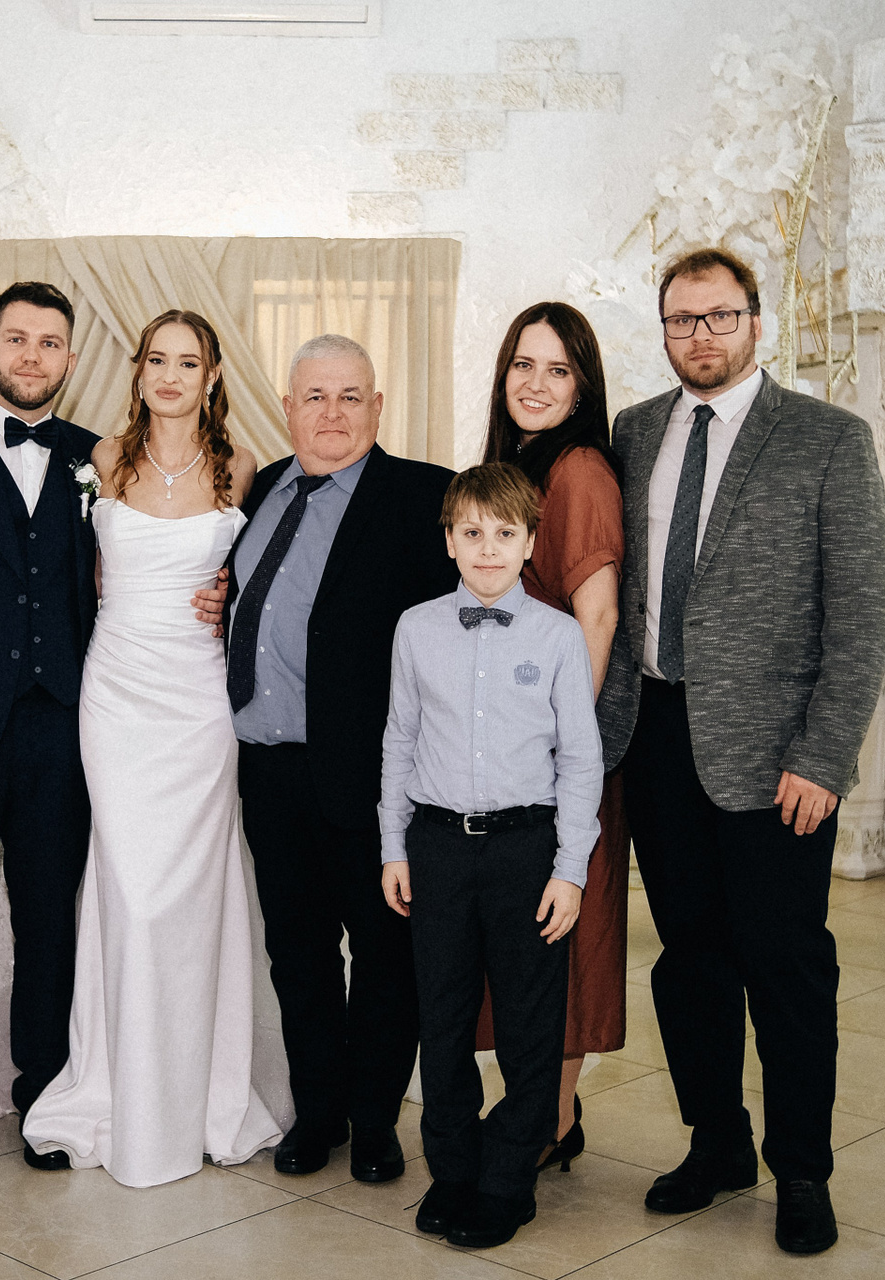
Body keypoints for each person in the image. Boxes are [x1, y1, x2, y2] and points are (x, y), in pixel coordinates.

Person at [0, 282, 225, 1176]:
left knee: (50, 924)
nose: (31, 357)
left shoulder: (102, 458)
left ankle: (48, 1098)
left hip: (72, 731)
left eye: (48, 344)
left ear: (72, 360)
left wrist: (218, 594)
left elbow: (146, 563)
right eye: (16, 339)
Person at [596, 247, 885, 1255]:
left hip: (777, 760)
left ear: (756, 323)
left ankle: (801, 1168)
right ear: (664, 330)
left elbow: (863, 612)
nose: (701, 336)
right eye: (682, 320)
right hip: (656, 738)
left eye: (719, 316)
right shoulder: (636, 431)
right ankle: (716, 1141)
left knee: (786, 964)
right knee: (689, 961)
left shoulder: (828, 438)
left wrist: (825, 754)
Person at [22, 309, 284, 1186]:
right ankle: (119, 1087)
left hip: (199, 701)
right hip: (117, 695)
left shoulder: (243, 468)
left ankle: (199, 1093)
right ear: (137, 371)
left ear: (213, 376)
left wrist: (229, 595)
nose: (171, 376)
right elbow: (74, 575)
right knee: (129, 889)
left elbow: (265, 579)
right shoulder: (101, 460)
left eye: (189, 362)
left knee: (192, 894)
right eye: (157, 360)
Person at [228, 334, 459, 1182]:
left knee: (385, 957)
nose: (332, 413)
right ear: (287, 408)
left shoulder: (425, 497)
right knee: (298, 955)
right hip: (268, 770)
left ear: (378, 408)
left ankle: (374, 1122)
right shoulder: (259, 492)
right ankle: (317, 1113)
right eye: (315, 397)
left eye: (350, 396)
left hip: (374, 777)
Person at [380, 462, 603, 1248]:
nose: (487, 548)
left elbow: (581, 759)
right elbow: (399, 741)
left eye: (505, 533)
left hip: (526, 852)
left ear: (530, 542)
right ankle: (452, 1170)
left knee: (527, 1022)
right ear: (448, 540)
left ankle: (509, 1176)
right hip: (438, 846)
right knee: (441, 1018)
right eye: (471, 532)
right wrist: (393, 846)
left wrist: (569, 869)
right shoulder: (416, 628)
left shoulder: (559, 636)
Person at [480, 301, 627, 1170]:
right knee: (527, 939)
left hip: (556, 761)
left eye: (558, 370)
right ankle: (542, 1111)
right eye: (523, 365)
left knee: (559, 940)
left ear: (583, 388)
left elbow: (595, 619)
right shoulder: (520, 468)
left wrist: (561, 749)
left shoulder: (578, 471)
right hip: (512, 755)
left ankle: (550, 1121)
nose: (536, 384)